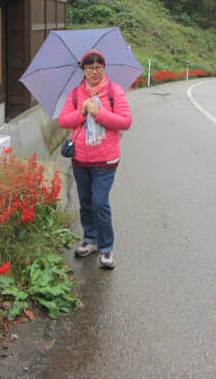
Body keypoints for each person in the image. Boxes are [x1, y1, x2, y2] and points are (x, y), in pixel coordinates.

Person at [58, 49, 132, 269]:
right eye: (90, 67)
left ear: (104, 68)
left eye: (99, 67)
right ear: (83, 70)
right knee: (86, 202)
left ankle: (106, 248)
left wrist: (98, 112)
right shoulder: (74, 94)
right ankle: (90, 240)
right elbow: (63, 121)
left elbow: (125, 121)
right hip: (80, 159)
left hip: (105, 159)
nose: (94, 71)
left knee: (100, 203)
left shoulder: (114, 92)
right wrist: (81, 112)